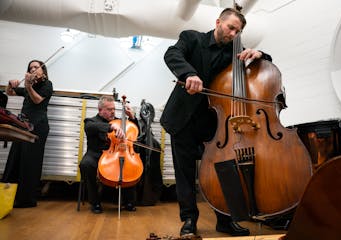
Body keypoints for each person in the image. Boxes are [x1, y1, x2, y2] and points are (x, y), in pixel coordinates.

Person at [160, 8, 273, 236]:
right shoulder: (192, 38)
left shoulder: (236, 53)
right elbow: (172, 54)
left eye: (237, 31)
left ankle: (225, 219)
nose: (233, 34)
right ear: (218, 22)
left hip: (214, 124)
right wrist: (188, 74)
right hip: (182, 119)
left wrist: (260, 54)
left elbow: (263, 64)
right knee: (185, 174)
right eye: (230, 27)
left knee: (225, 171)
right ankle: (189, 220)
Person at [2, 59, 53, 208]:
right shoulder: (27, 85)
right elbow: (9, 92)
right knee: (15, 159)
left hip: (38, 126)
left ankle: (27, 200)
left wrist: (29, 87)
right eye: (30, 68)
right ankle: (8, 196)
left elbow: (37, 100)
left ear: (43, 71)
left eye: (36, 67)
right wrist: (10, 84)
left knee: (30, 162)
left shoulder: (46, 85)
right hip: (22, 125)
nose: (33, 70)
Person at [79, 95, 139, 214]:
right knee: (86, 165)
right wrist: (110, 126)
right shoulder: (91, 121)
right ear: (100, 110)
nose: (112, 112)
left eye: (113, 109)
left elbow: (135, 132)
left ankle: (129, 201)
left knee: (130, 166)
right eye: (109, 109)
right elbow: (90, 127)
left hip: (115, 154)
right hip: (95, 154)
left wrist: (132, 117)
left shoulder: (120, 121)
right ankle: (95, 202)